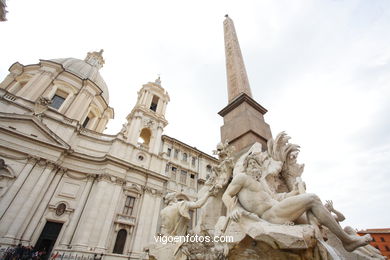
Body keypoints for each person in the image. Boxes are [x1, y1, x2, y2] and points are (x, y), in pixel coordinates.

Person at [222, 153, 372, 252]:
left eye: (256, 163)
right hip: (271, 215)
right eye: (252, 163)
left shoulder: (261, 183)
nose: (255, 166)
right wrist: (232, 208)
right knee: (312, 198)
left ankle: (343, 238)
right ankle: (347, 241)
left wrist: (293, 192)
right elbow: (226, 196)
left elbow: (276, 198)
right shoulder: (242, 178)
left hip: (279, 210)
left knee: (316, 218)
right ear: (246, 165)